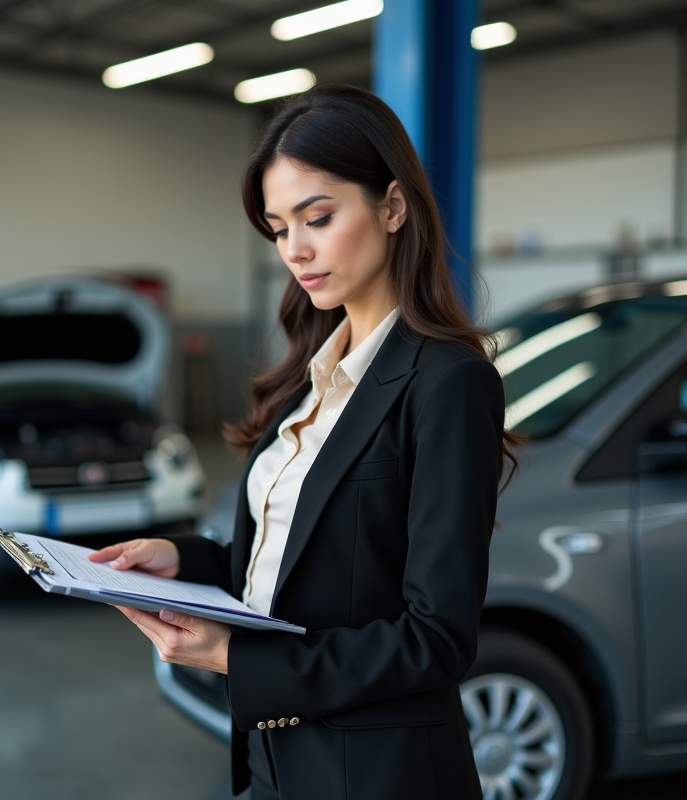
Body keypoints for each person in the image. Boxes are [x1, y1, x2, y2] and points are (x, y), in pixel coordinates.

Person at [88, 84, 519, 800]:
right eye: (278, 227)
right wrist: (184, 560)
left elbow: (437, 637)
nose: (295, 249)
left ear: (392, 206)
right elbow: (298, 561)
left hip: (375, 775)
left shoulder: (448, 383)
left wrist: (237, 660)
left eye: (317, 218)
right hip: (270, 760)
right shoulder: (310, 375)